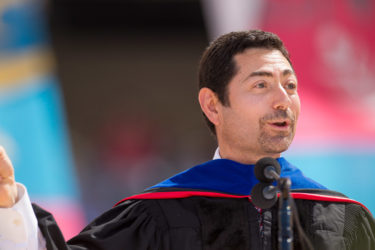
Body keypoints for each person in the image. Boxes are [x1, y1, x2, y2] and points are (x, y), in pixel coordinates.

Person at [0, 30, 374, 250]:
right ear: (212, 105)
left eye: (290, 85)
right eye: (261, 84)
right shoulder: (159, 214)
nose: (283, 99)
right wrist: (8, 209)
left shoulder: (345, 217)